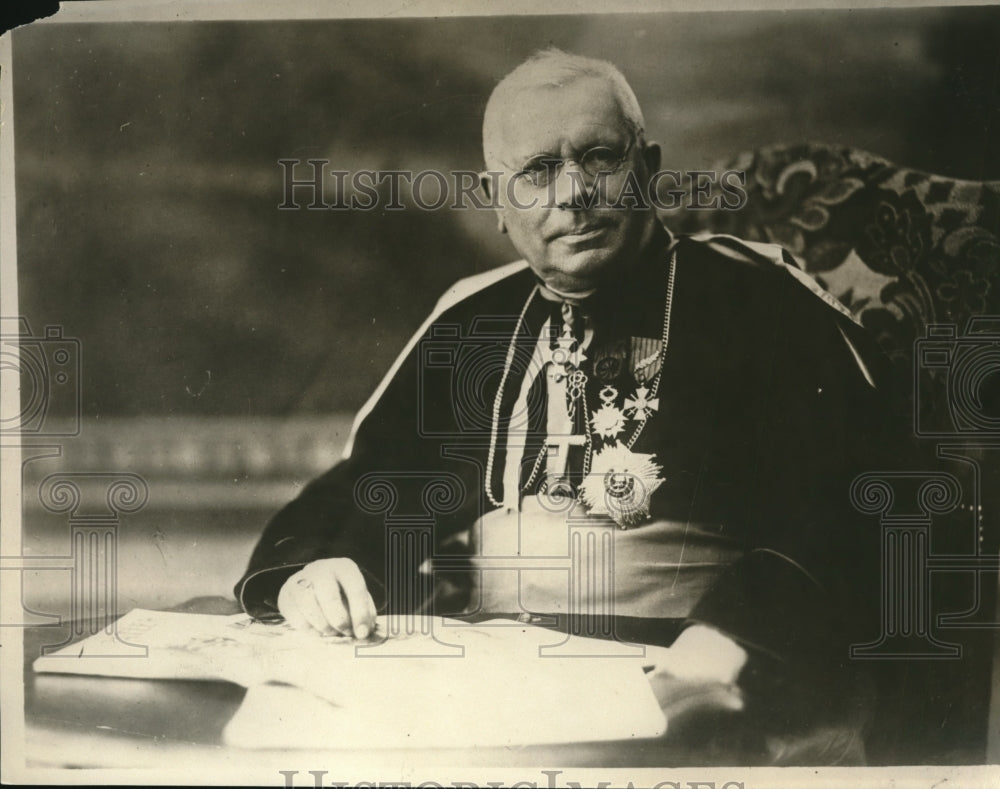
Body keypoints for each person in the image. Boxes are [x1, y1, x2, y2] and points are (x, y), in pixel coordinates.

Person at [235, 49, 902, 760]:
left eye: (599, 158)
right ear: (499, 203)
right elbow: (374, 487)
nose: (575, 191)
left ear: (646, 168)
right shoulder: (470, 323)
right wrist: (321, 567)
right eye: (537, 171)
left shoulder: (756, 303)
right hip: (487, 680)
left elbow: (851, 507)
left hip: (705, 673)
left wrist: (729, 640)